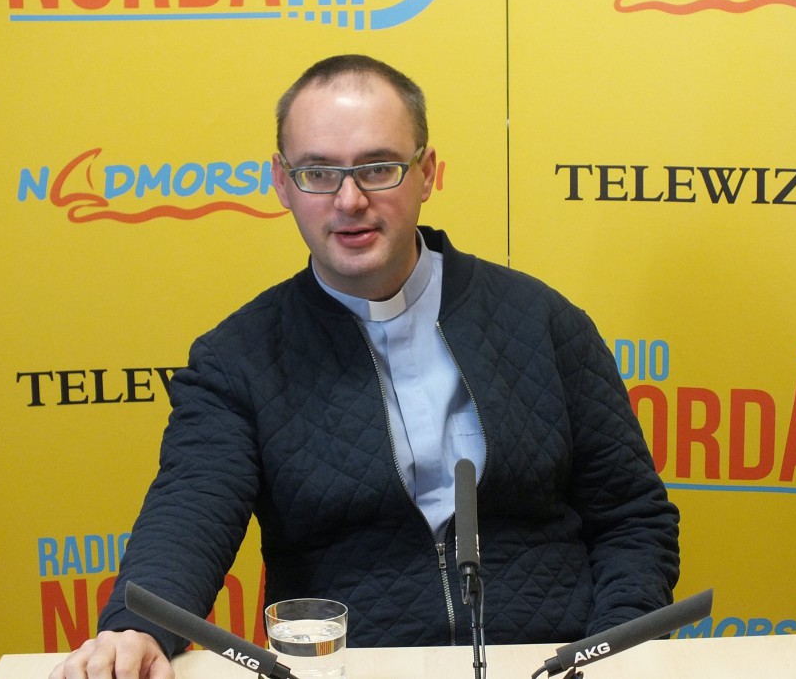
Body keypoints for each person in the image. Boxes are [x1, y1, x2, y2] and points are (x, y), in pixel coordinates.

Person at [50, 54, 680, 679]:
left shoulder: (543, 322)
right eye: (318, 173)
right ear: (281, 182)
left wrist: (606, 654)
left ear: (427, 173)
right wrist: (137, 629)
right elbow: (190, 508)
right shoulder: (238, 357)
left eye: (379, 168)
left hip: (549, 665)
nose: (349, 200)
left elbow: (632, 519)